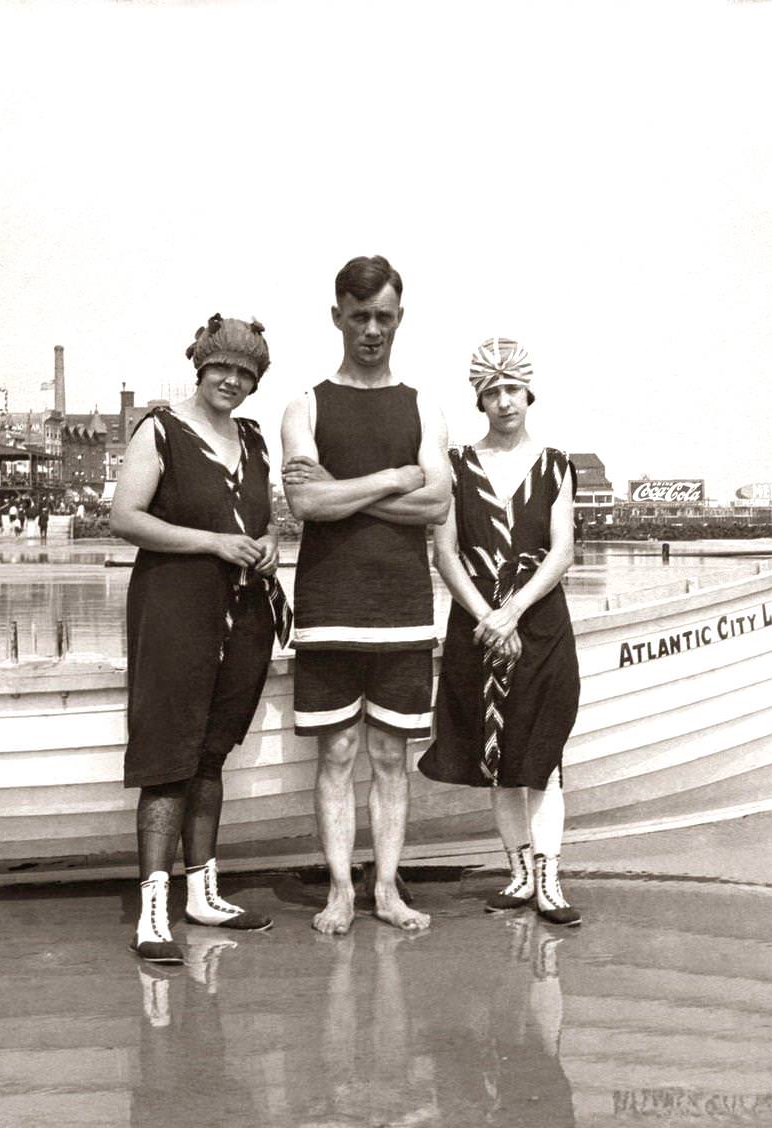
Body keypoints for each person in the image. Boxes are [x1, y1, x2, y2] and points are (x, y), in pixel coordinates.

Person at [111, 314, 290, 963]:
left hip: (243, 615)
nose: (232, 381)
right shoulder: (160, 429)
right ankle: (153, 914)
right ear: (201, 366)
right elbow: (124, 517)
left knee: (210, 756)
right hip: (174, 609)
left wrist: (267, 545)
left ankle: (204, 896)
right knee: (167, 760)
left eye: (246, 373)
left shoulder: (254, 440)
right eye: (223, 368)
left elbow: (264, 522)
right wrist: (214, 542)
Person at [281, 255, 450, 934]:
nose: (371, 330)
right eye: (359, 317)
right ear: (337, 318)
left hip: (403, 612)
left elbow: (437, 504)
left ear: (399, 318)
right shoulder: (306, 405)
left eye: (383, 317)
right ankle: (340, 893)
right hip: (328, 611)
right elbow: (304, 503)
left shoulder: (423, 406)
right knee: (337, 753)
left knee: (389, 756)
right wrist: (392, 478)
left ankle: (386, 891)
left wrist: (342, 491)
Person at [417, 339, 582, 926]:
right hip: (476, 625)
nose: (504, 401)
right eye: (492, 392)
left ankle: (550, 880)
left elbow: (562, 553)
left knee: (543, 756)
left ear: (529, 394)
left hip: (541, 627)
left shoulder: (556, 464)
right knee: (499, 757)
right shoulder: (457, 467)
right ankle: (518, 874)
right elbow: (445, 554)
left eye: (513, 389)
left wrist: (511, 612)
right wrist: (488, 617)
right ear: (480, 400)